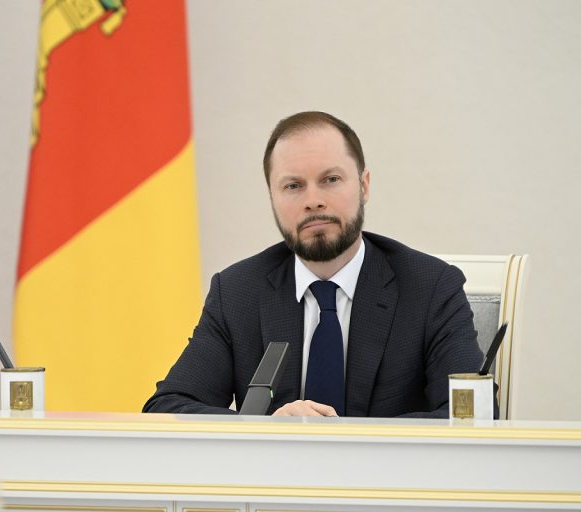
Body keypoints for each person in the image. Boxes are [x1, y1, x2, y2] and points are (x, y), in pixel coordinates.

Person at [143, 111, 484, 417]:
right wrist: (267, 430)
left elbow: (471, 416)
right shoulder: (237, 293)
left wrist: (352, 443)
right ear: (272, 198)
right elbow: (168, 407)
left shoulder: (430, 287)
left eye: (330, 180)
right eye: (293, 186)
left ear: (364, 186)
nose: (313, 201)